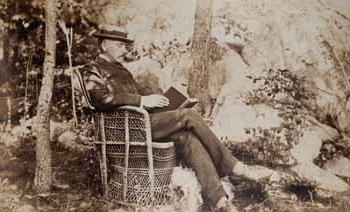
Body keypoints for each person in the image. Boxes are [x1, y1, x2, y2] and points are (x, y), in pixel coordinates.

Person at [83, 25, 277, 212]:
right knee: (189, 116)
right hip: (125, 130)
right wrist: (142, 100)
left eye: (123, 45)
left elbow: (145, 94)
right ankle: (234, 167)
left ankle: (220, 201)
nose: (122, 48)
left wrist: (171, 101)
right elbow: (100, 98)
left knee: (187, 137)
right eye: (117, 44)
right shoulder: (94, 68)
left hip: (141, 123)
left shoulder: (121, 69)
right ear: (104, 45)